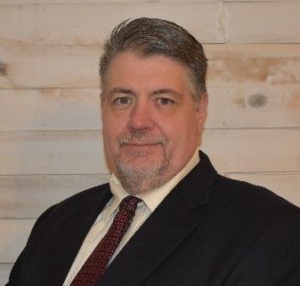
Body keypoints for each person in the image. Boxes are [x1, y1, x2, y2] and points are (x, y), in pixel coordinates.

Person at [6, 17, 300, 286]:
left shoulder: (271, 231)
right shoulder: (57, 223)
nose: (138, 122)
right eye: (122, 100)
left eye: (163, 101)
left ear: (200, 110)